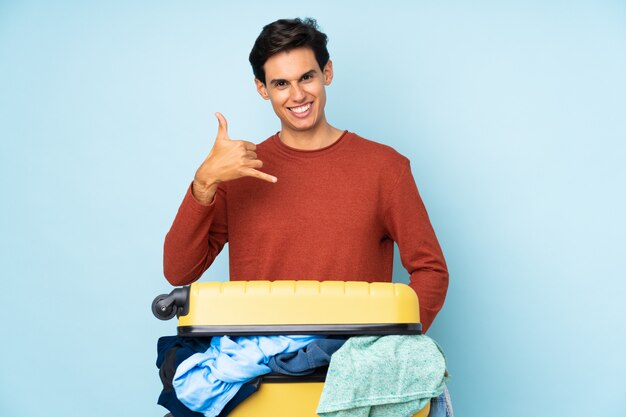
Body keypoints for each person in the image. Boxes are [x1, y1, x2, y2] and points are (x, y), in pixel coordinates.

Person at [163, 17, 448, 334]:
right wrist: (204, 183)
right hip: (260, 368)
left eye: (306, 77)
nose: (297, 95)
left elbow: (430, 270)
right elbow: (178, 271)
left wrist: (388, 347)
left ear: (327, 73)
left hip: (352, 363)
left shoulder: (385, 167)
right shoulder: (239, 172)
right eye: (281, 84)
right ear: (262, 89)